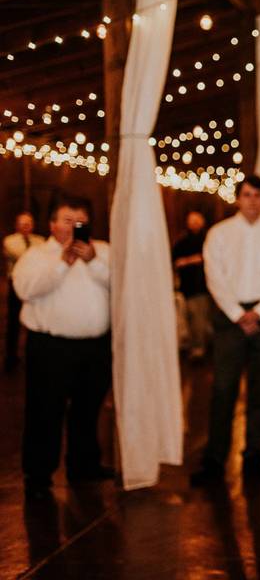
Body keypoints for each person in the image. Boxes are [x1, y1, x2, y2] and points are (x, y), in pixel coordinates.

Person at [13, 196, 112, 499]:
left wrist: (92, 261)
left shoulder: (104, 252)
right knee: (45, 410)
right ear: (53, 224)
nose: (73, 228)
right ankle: (39, 472)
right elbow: (25, 289)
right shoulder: (37, 255)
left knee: (87, 409)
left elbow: (122, 286)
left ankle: (84, 465)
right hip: (50, 347)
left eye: (79, 222)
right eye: (66, 221)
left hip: (94, 348)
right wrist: (62, 265)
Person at [191, 176, 260, 485]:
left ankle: (252, 457)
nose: (252, 201)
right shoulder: (219, 234)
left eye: (258, 195)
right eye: (247, 195)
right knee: (223, 389)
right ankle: (215, 459)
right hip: (229, 318)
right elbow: (214, 277)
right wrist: (237, 314)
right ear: (237, 198)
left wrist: (257, 312)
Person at [4, 212, 44, 371]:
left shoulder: (40, 241)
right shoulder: (9, 241)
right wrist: (38, 257)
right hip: (16, 284)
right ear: (17, 225)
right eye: (22, 223)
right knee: (13, 322)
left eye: (28, 223)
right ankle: (11, 358)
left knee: (35, 320)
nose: (26, 226)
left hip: (36, 284)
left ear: (33, 225)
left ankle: (34, 357)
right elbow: (22, 256)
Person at [172, 211, 212, 360]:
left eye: (197, 221)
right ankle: (193, 345)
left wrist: (190, 261)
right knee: (190, 318)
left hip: (202, 286)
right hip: (187, 286)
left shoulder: (208, 240)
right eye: (191, 221)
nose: (194, 224)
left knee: (199, 318)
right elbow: (176, 260)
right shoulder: (182, 242)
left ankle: (199, 347)